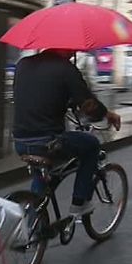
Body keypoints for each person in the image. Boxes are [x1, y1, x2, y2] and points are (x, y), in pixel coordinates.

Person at [12, 49, 121, 216]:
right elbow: (87, 105)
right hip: (48, 141)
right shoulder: (66, 68)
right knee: (91, 145)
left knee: (43, 176)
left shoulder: (22, 65)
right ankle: (80, 202)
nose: (73, 52)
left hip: (20, 140)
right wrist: (107, 114)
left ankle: (33, 228)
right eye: (71, 49)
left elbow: (38, 96)